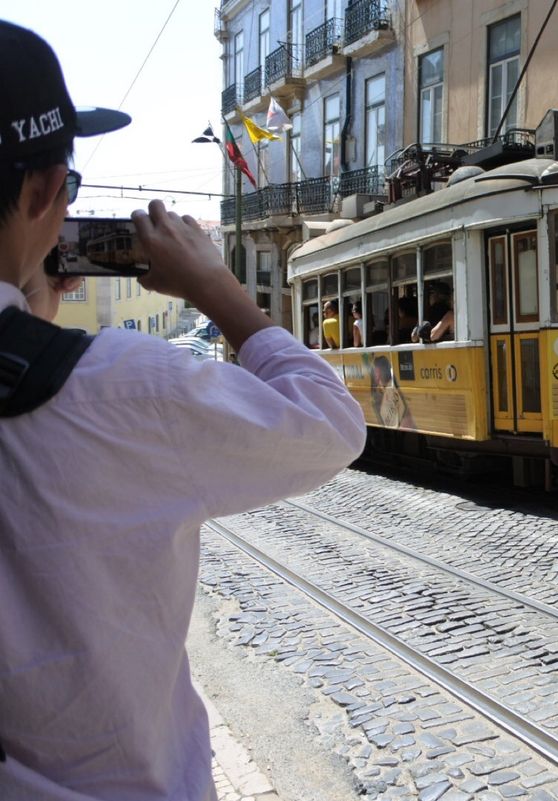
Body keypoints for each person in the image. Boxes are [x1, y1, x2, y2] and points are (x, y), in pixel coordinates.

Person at [0, 21, 366, 801]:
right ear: (42, 194)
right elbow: (330, 421)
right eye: (68, 188)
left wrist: (28, 304)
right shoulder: (117, 388)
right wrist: (215, 288)